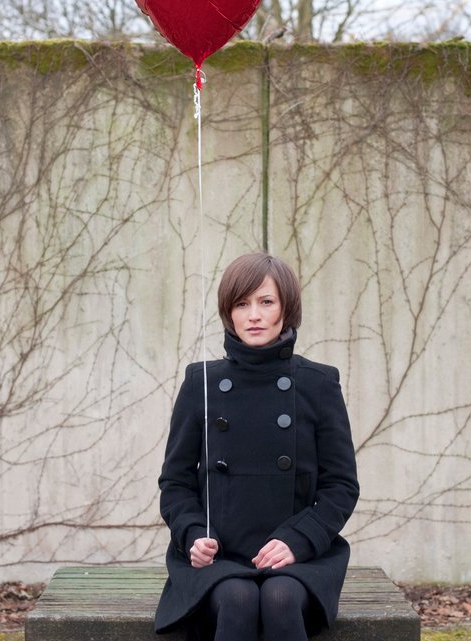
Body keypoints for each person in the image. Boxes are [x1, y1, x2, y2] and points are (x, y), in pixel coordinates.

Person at [154, 252, 360, 641]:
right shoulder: (201, 383)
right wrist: (193, 535)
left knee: (280, 597)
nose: (253, 315)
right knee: (239, 598)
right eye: (242, 304)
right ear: (228, 313)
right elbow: (176, 482)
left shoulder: (318, 383)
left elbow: (341, 486)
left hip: (298, 558)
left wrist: (298, 541)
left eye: (266, 302)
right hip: (219, 557)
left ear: (287, 309)